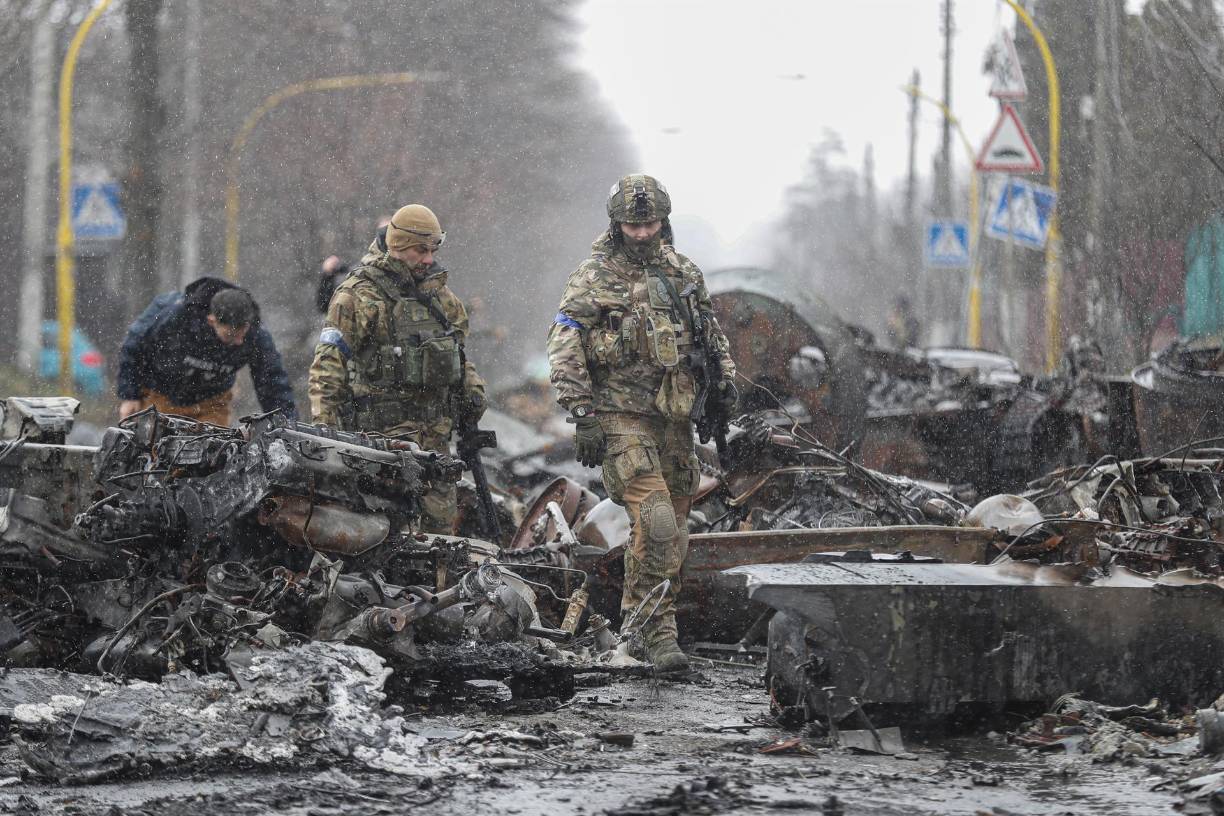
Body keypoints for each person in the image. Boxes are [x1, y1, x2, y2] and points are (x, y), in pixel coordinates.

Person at [546, 174, 738, 674]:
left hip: (673, 421)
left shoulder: (683, 272)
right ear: (617, 223)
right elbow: (564, 342)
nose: (641, 233)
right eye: (632, 224)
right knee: (652, 520)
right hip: (619, 417)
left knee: (670, 532)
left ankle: (636, 622)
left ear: (664, 220)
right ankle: (659, 632)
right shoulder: (594, 276)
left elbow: (710, 336)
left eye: (650, 222)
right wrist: (582, 412)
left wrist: (724, 388)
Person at [308, 204, 487, 535]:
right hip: (378, 449)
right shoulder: (358, 296)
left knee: (438, 542)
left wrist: (472, 394)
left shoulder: (441, 299)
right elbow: (327, 368)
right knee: (380, 538)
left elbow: (457, 355)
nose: (429, 259)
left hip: (434, 447)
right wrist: (326, 438)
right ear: (398, 246)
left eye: (433, 250)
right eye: (421, 250)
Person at [117, 277, 296, 425]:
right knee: (160, 458)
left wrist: (285, 424)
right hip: (161, 395)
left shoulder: (256, 335)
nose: (239, 341)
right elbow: (134, 345)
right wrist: (129, 395)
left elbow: (272, 380)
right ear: (212, 321)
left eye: (243, 334)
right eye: (231, 336)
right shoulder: (174, 317)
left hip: (212, 401)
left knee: (211, 459)